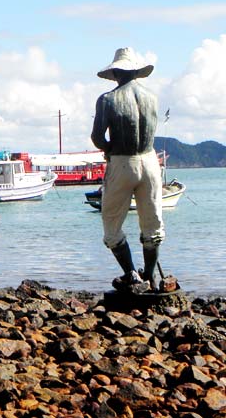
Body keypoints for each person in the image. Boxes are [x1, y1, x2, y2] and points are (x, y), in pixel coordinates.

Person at [91, 48, 163, 292]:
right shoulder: (152, 98)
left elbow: (97, 137)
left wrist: (109, 149)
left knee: (112, 225)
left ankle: (132, 274)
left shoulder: (107, 100)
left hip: (122, 161)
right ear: (136, 71)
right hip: (150, 161)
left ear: (115, 72)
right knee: (152, 224)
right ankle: (151, 276)